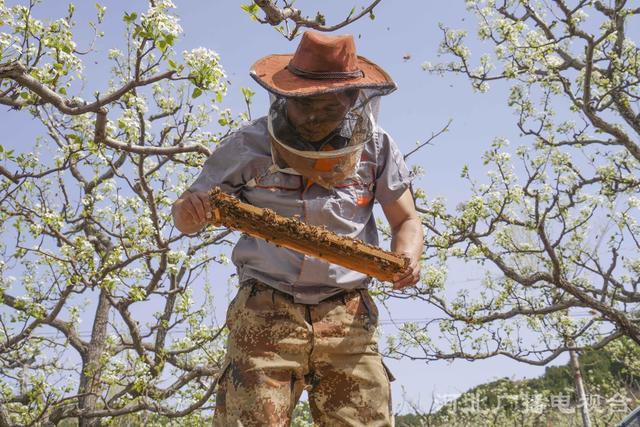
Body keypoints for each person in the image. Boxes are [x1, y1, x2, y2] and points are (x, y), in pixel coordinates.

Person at [172, 31, 423, 426]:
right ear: (285, 97)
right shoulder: (246, 146)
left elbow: (406, 219)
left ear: (351, 102)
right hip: (265, 310)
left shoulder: (378, 148)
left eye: (326, 108)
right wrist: (191, 213)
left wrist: (408, 256)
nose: (312, 118)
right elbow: (187, 214)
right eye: (304, 106)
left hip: (348, 315)